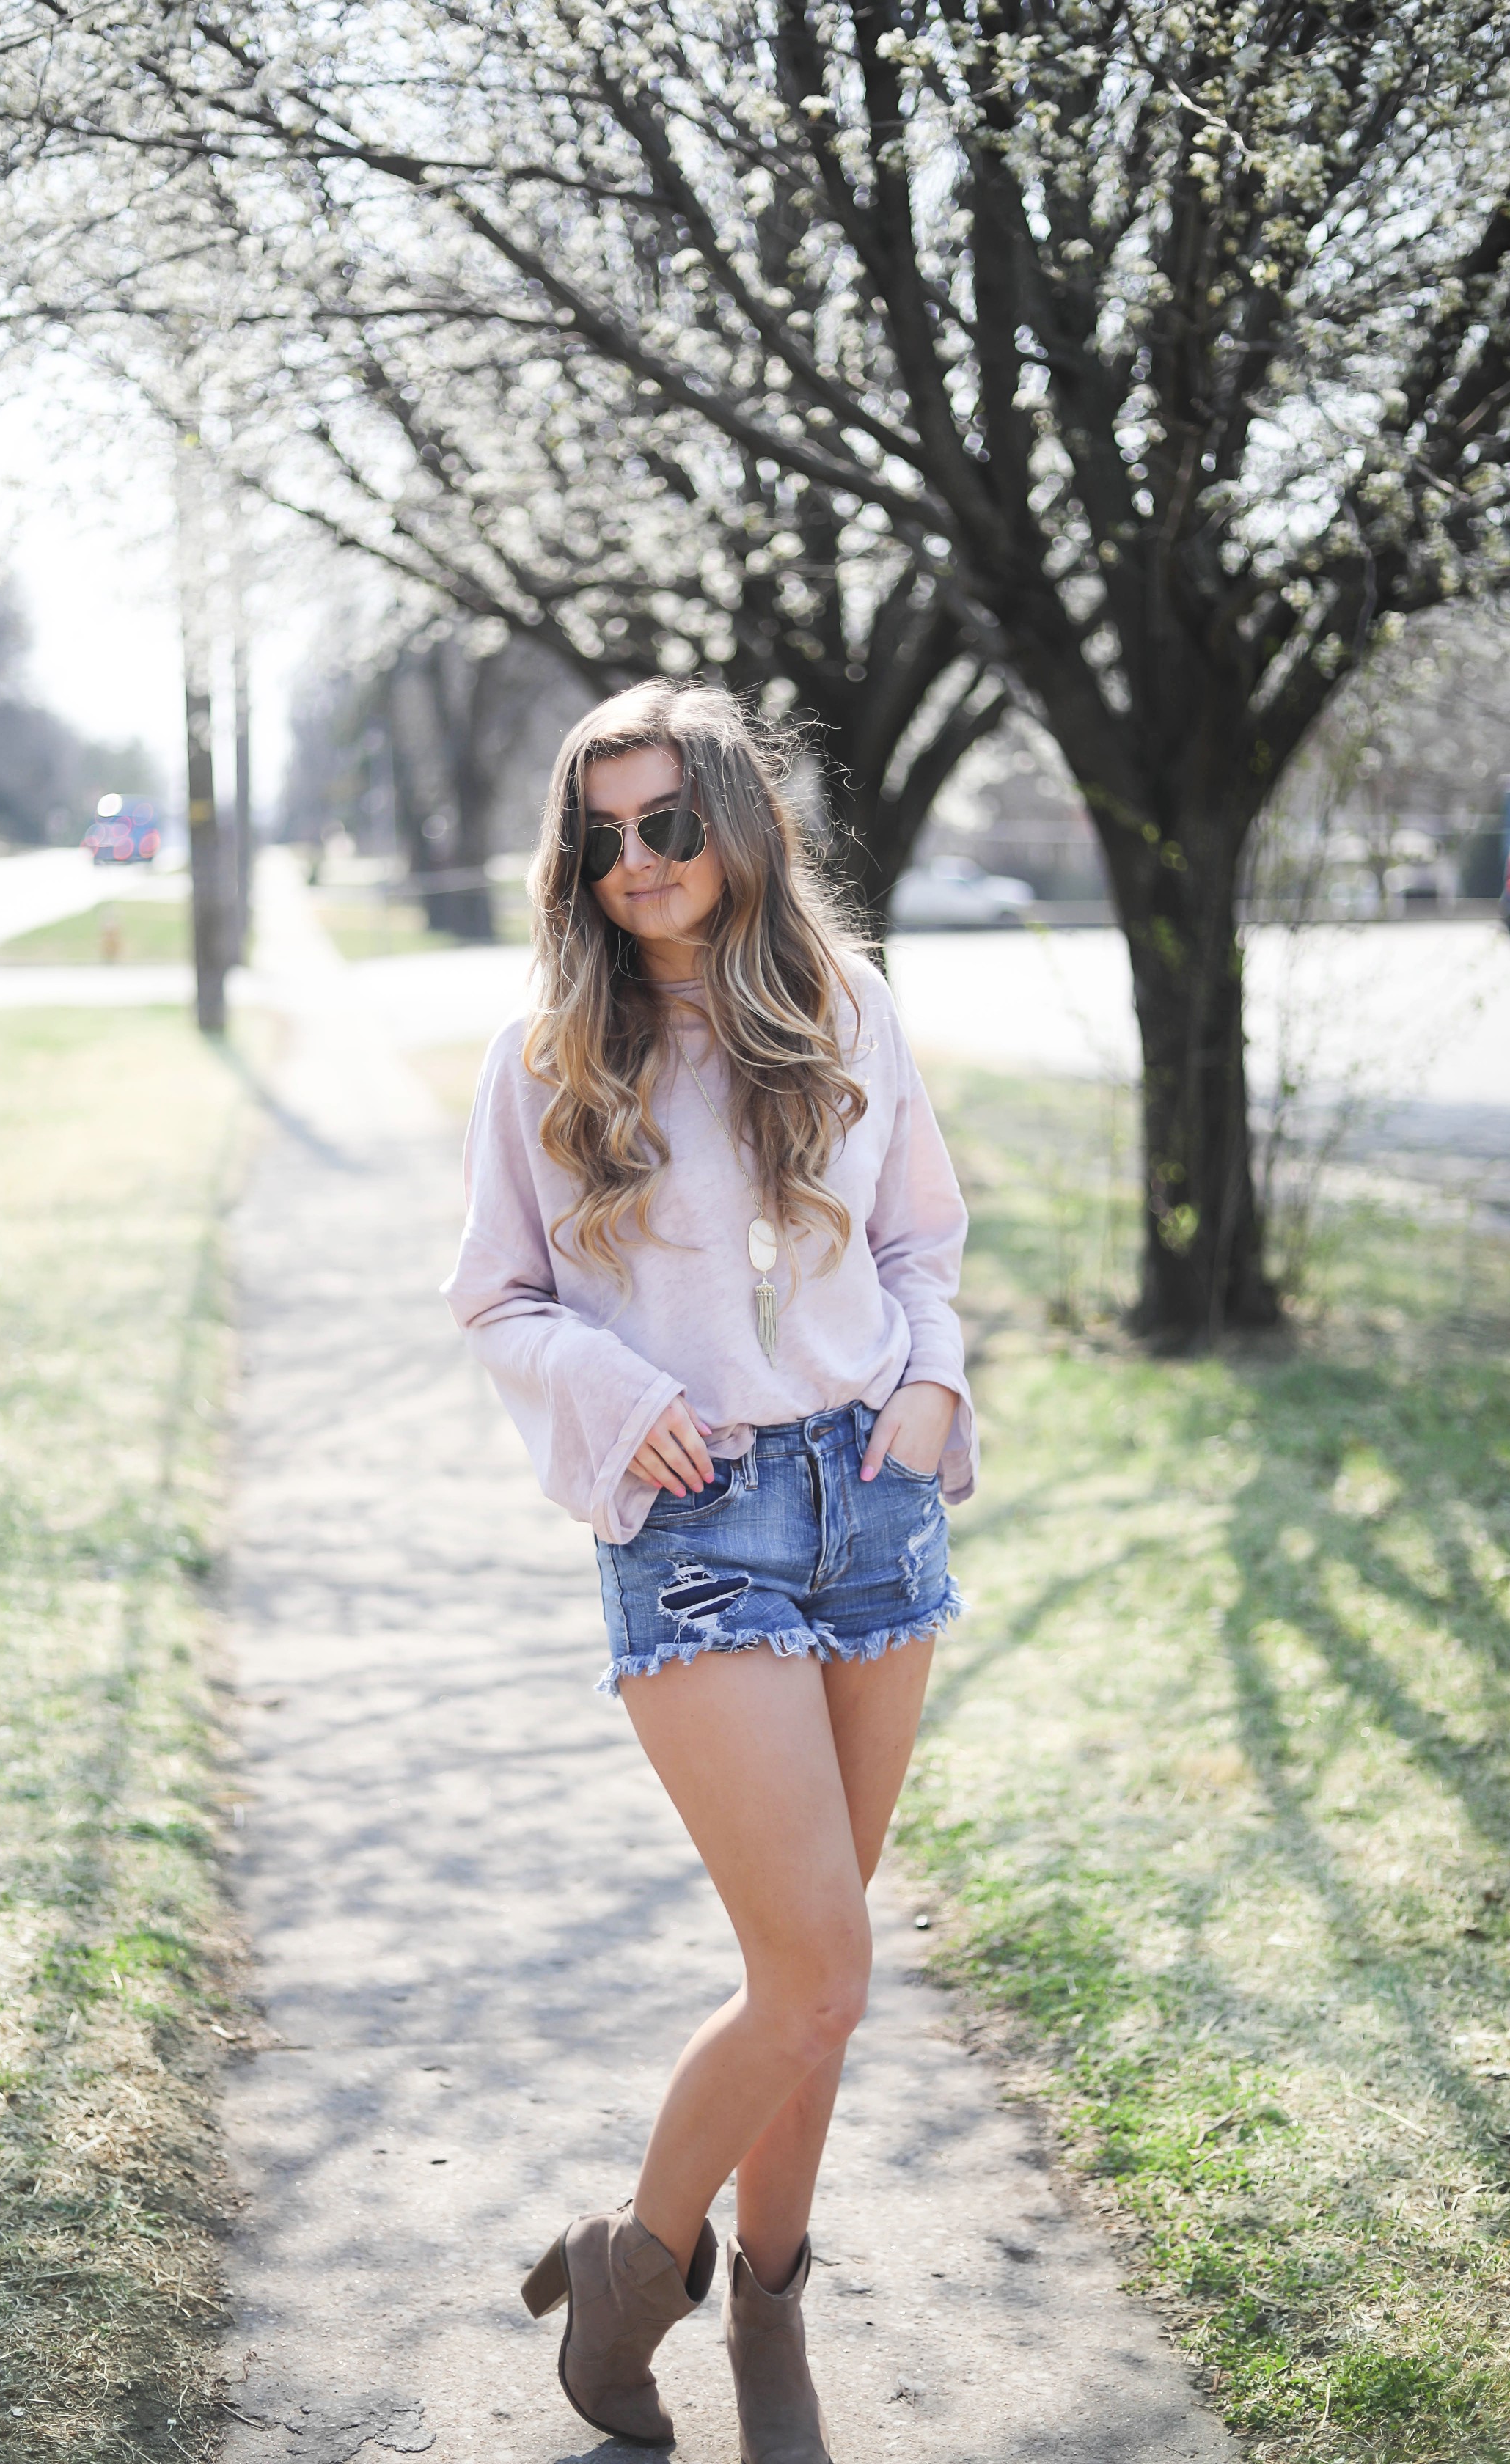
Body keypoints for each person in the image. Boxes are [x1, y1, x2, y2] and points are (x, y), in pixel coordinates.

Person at [442, 680, 976, 2464]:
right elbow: (498, 1301)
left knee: (804, 1971)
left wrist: (927, 1386)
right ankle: (638, 2264)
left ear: (737, 825)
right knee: (820, 1967)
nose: (636, 865)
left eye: (668, 826)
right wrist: (611, 1384)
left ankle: (768, 2311)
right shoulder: (549, 1057)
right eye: (602, 838)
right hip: (694, 1525)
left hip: (872, 1505)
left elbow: (920, 1242)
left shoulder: (849, 1004)